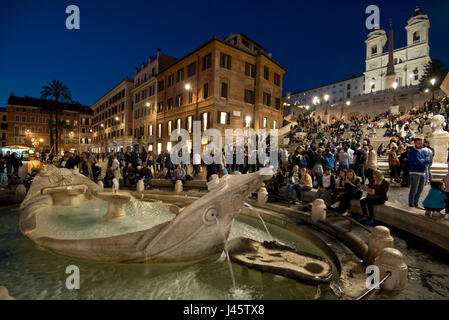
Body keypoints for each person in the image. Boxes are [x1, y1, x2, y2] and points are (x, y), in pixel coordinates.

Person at [408, 138, 432, 208]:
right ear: (414, 143)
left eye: (421, 143)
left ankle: (416, 203)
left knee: (420, 190)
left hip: (422, 172)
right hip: (414, 172)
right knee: (414, 189)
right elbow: (417, 162)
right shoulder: (412, 152)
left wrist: (423, 161)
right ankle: (411, 203)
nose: (420, 144)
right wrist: (425, 161)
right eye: (418, 143)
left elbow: (430, 161)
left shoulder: (423, 152)